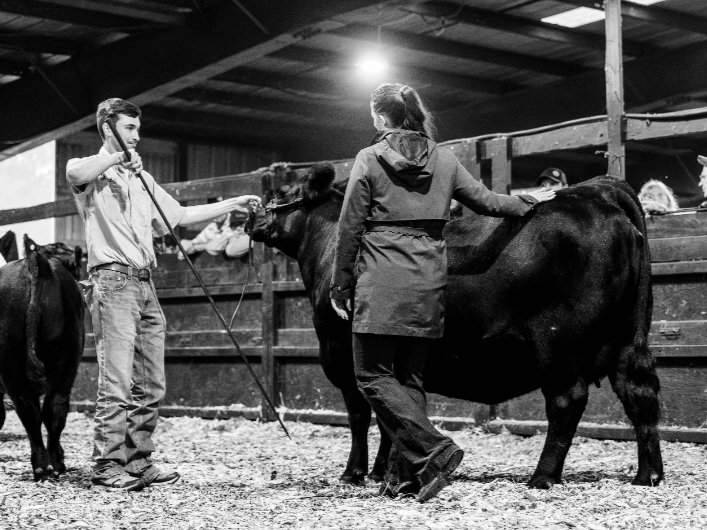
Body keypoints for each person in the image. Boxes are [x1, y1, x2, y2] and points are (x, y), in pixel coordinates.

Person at [329, 83, 555, 503]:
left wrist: (340, 283)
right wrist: (528, 201)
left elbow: (350, 225)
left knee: (370, 375)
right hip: (429, 278)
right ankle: (409, 477)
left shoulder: (369, 158)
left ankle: (435, 449)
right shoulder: (445, 158)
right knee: (410, 379)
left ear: (381, 117)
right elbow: (487, 202)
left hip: (383, 277)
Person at [66, 98, 261, 491]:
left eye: (138, 129)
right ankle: (107, 464)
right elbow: (78, 171)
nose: (137, 136)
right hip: (112, 281)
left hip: (145, 283)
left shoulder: (143, 179)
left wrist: (234, 202)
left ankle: (138, 459)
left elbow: (181, 216)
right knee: (117, 381)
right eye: (129, 128)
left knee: (151, 381)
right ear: (107, 127)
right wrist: (117, 159)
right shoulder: (89, 170)